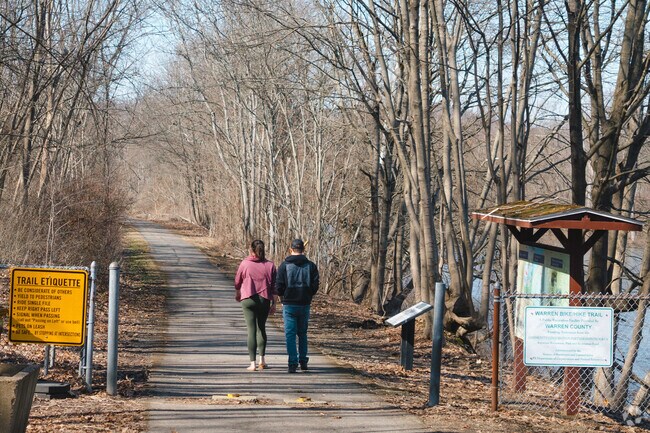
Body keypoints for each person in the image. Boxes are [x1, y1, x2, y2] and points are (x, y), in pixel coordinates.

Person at [276, 238, 319, 373]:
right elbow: (315, 285)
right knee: (302, 334)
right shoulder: (311, 266)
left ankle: (292, 363)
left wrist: (283, 296)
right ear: (303, 250)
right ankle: (303, 361)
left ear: (291, 249)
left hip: (289, 304)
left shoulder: (284, 265)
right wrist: (308, 294)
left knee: (290, 335)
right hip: (304, 303)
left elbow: (279, 286)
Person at [234, 240, 277, 371]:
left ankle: (252, 364)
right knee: (261, 329)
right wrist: (274, 303)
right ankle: (262, 361)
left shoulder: (245, 264)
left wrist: (238, 292)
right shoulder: (270, 265)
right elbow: (275, 286)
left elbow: (237, 281)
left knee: (251, 330)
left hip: (248, 298)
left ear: (251, 250)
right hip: (264, 299)